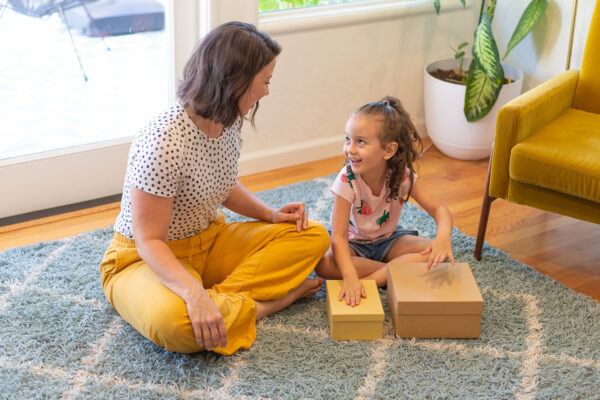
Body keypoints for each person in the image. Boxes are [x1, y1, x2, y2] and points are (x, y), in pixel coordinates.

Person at [99, 21, 329, 355]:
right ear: (235, 81)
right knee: (177, 324)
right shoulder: (163, 142)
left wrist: (270, 214)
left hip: (208, 242)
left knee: (314, 235)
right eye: (264, 81)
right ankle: (272, 303)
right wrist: (193, 295)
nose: (267, 91)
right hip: (142, 259)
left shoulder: (226, 122)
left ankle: (216, 305)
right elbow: (149, 240)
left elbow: (221, 183)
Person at [315, 95, 454, 306]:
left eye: (360, 142)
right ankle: (392, 271)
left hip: (388, 242)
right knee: (323, 265)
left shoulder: (402, 175)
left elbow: (439, 209)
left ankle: (374, 279)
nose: (350, 149)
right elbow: (339, 238)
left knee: (436, 253)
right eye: (347, 139)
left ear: (389, 150)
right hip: (352, 244)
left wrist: (443, 238)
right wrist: (351, 277)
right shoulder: (347, 179)